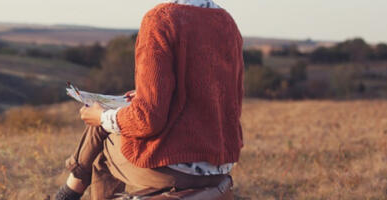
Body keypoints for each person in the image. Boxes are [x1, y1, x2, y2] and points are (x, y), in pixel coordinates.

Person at [54, 0, 244, 199]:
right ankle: (68, 193)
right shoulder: (226, 22)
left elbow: (148, 119)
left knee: (102, 147)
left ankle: (68, 193)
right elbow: (218, 94)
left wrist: (101, 118)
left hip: (177, 169)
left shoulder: (161, 19)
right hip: (219, 164)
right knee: (109, 119)